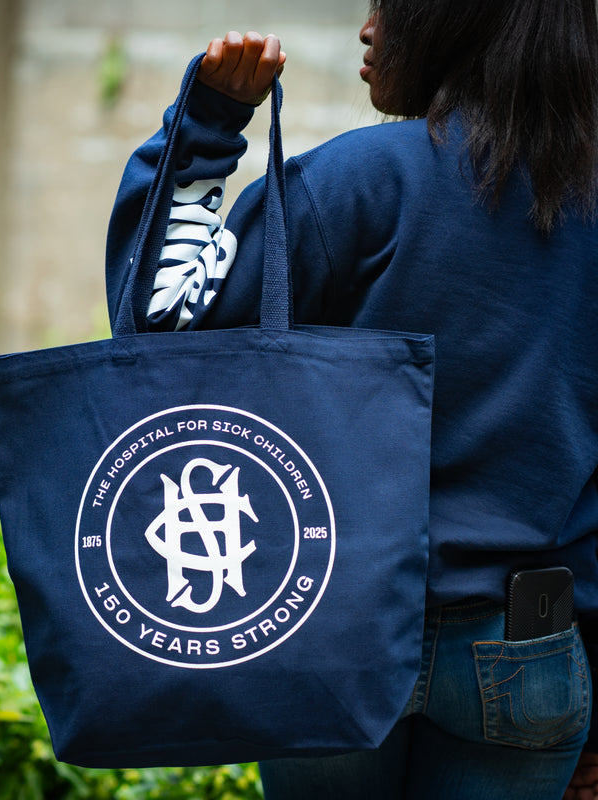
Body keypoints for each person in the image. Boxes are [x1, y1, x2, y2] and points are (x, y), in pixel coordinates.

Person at [105, 2, 598, 797]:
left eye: (385, 8)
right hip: (531, 646)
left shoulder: (355, 181)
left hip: (334, 633)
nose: (366, 31)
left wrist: (209, 123)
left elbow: (161, 336)